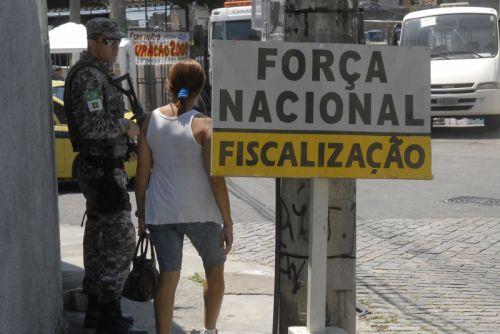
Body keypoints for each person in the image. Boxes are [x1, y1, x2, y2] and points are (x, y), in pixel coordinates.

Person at [135, 59, 234, 334]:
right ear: (201, 88)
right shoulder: (204, 126)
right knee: (214, 271)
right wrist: (228, 221)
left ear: (169, 85)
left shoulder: (150, 121)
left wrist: (141, 211)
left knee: (168, 276)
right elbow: (216, 178)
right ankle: (209, 330)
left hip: (161, 212)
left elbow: (142, 173)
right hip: (201, 212)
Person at [64, 18, 147, 334]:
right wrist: (125, 127)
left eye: (116, 43)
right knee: (119, 242)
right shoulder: (89, 78)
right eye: (108, 42)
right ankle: (109, 317)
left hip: (101, 166)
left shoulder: (96, 74)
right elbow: (91, 126)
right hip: (100, 169)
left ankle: (99, 312)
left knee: (100, 242)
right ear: (93, 42)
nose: (114, 48)